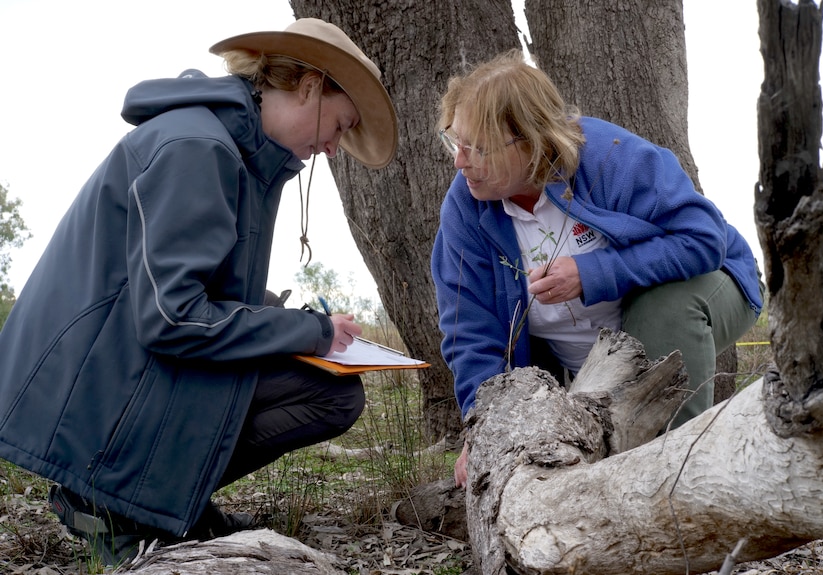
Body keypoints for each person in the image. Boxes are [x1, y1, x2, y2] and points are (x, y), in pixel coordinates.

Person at [0, 18, 397, 566]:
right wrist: (313, 331)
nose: (334, 149)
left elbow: (196, 298)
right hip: (95, 394)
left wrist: (296, 325)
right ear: (310, 87)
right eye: (341, 124)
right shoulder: (198, 147)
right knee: (327, 393)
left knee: (333, 389)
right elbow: (173, 319)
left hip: (125, 375)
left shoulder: (239, 153)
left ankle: (158, 503)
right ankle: (108, 504)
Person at [430, 50, 763, 488]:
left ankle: (680, 477)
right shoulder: (466, 207)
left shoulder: (610, 157)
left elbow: (703, 239)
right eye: (456, 142)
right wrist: (485, 427)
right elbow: (469, 330)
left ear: (527, 138)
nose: (460, 161)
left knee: (663, 307)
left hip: (713, 288)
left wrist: (592, 274)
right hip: (585, 361)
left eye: (477, 147)